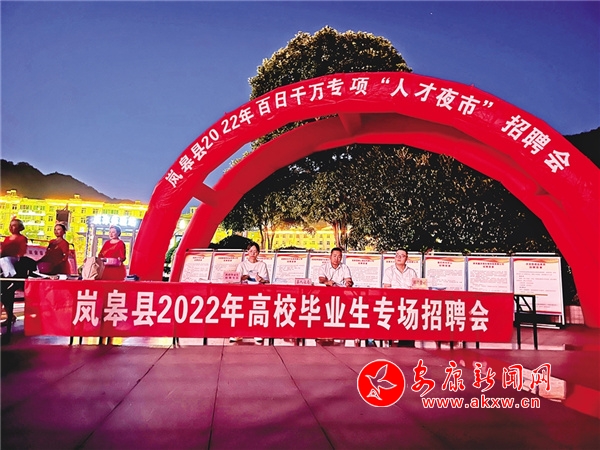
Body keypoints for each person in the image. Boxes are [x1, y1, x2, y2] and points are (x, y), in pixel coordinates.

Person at [230, 243, 269, 344]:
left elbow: (266, 281)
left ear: (258, 253)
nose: (253, 253)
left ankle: (257, 333)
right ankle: (238, 333)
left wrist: (260, 279)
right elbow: (236, 279)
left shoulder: (262, 265)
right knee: (241, 312)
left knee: (257, 312)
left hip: (258, 292)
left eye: (255, 251)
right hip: (244, 292)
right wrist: (244, 277)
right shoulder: (242, 265)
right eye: (251, 251)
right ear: (247, 252)